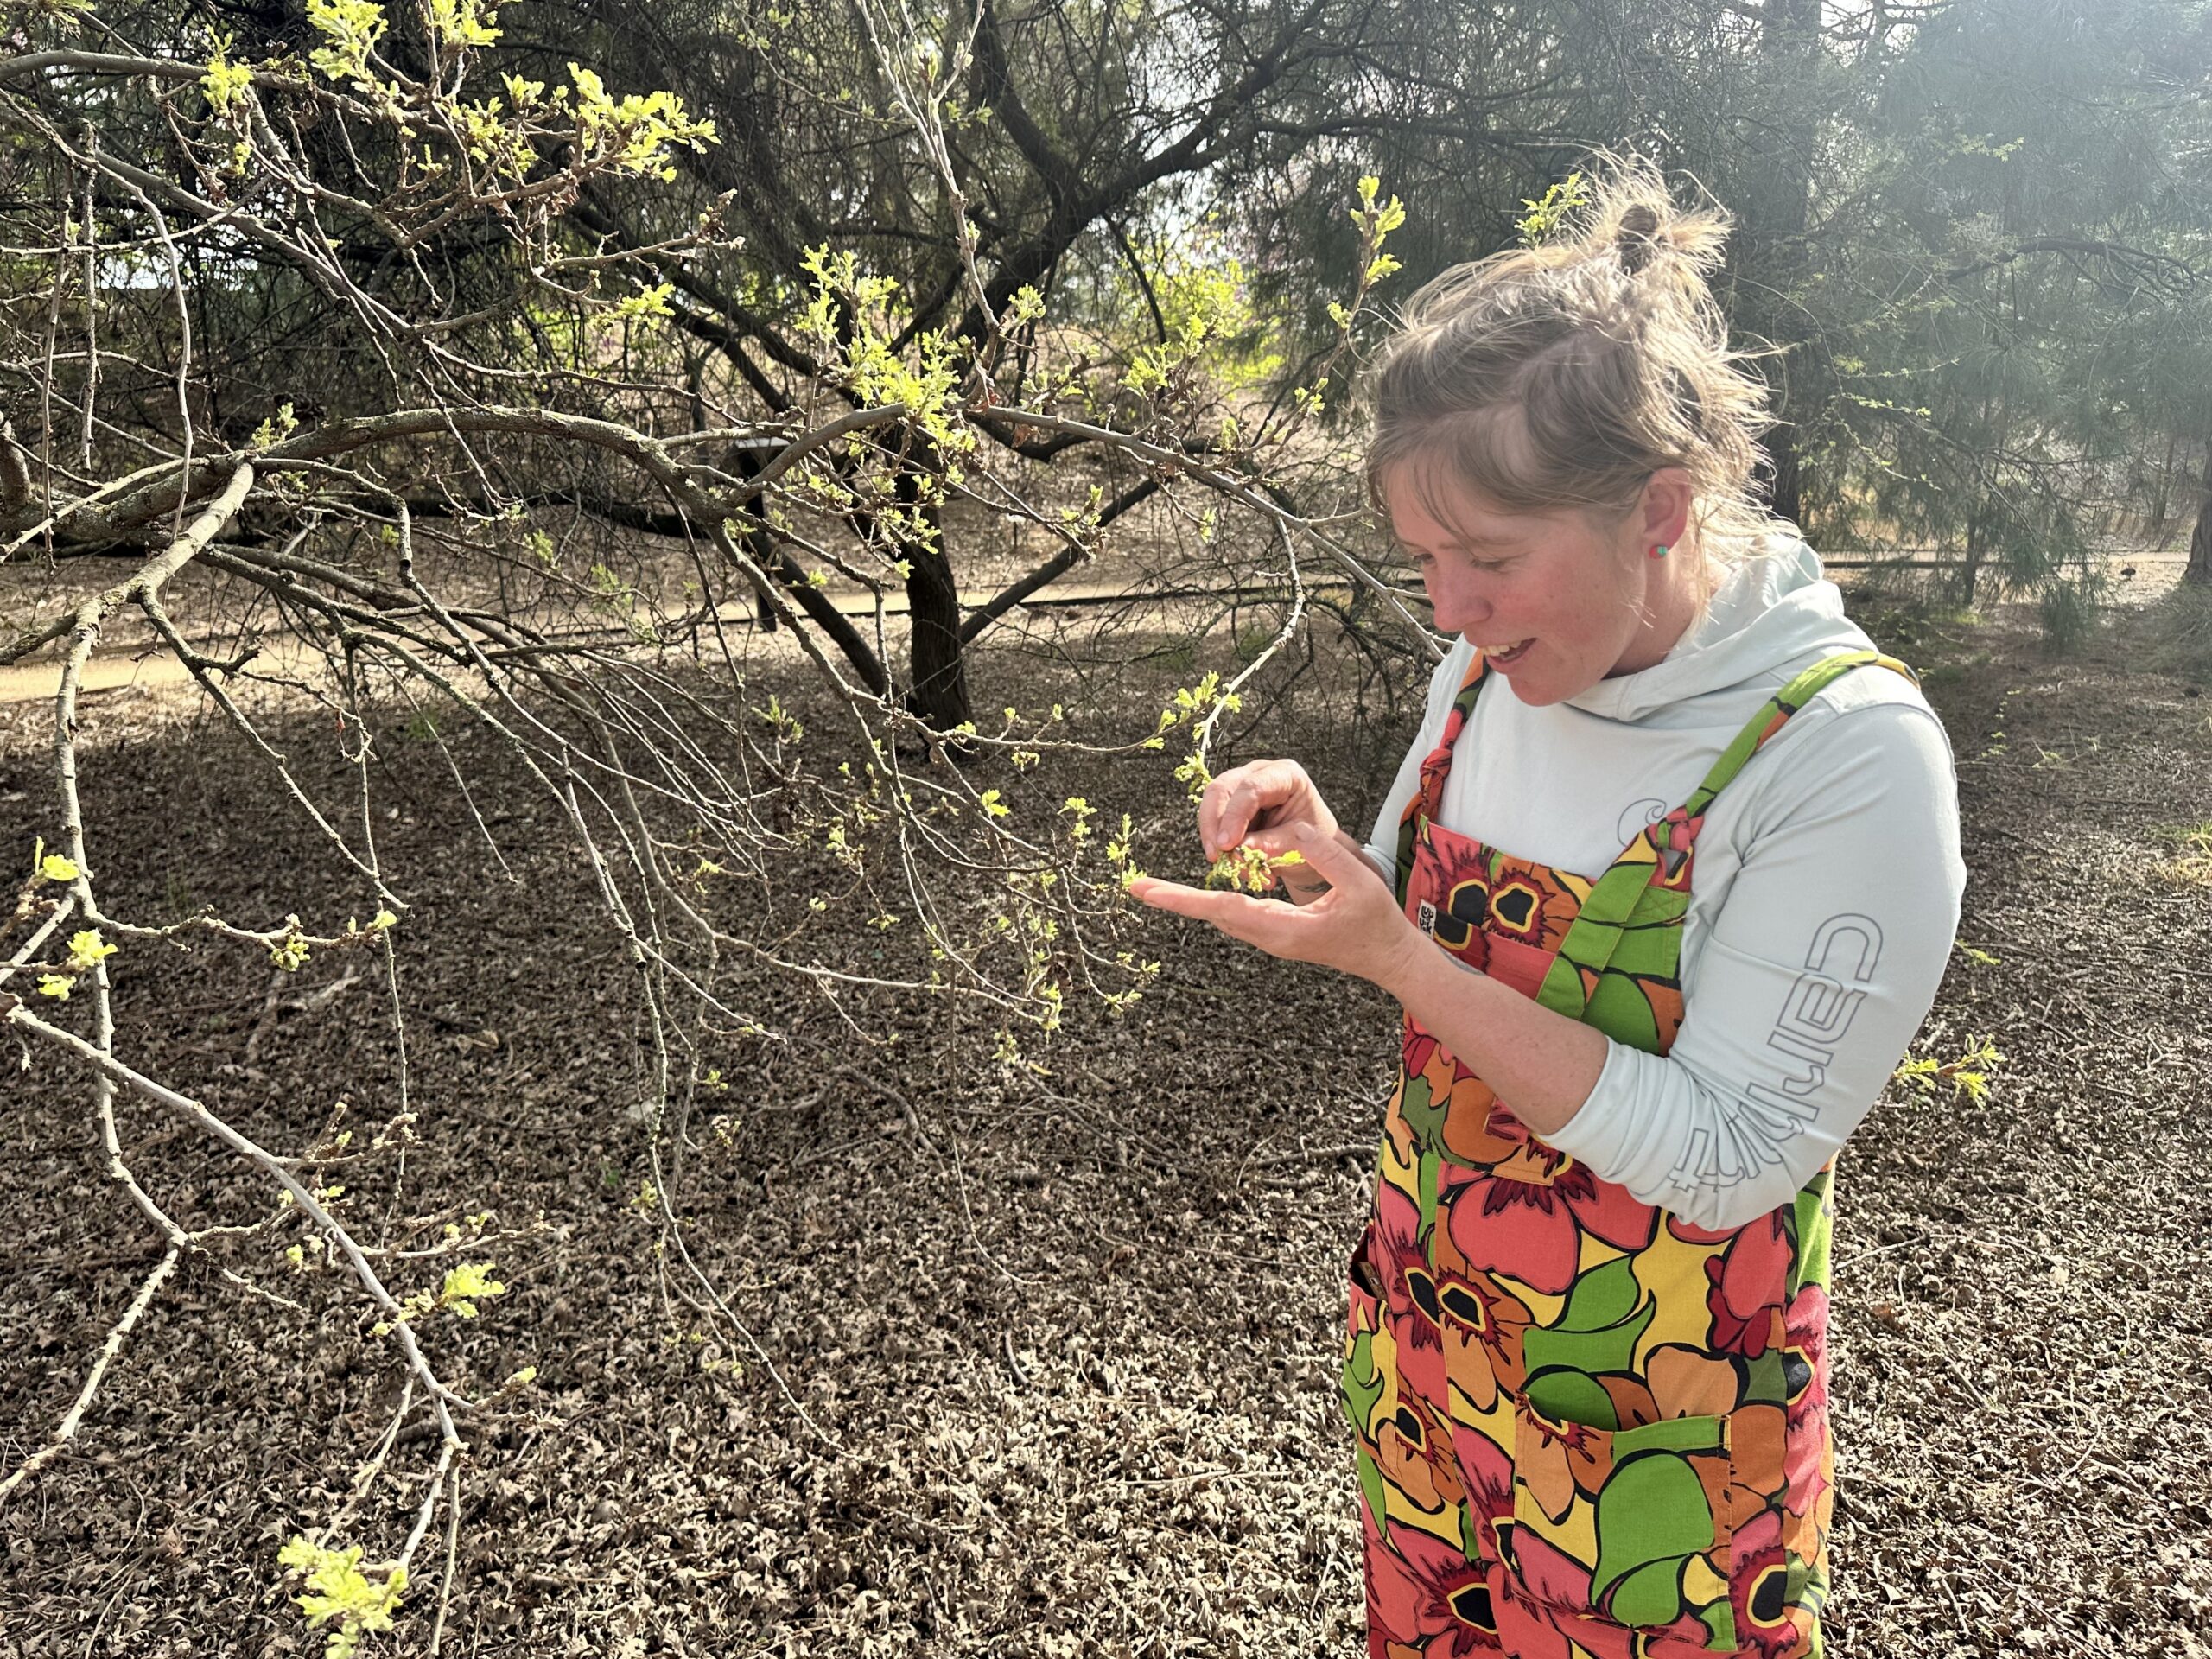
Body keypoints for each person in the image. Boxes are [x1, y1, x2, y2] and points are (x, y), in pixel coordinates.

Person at [1128, 159, 1966, 1659]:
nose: (1447, 612)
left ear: (1658, 506)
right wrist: (1332, 849)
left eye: (1492, 559)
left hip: (1662, 1439)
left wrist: (1400, 963)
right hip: (1428, 1344)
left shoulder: (1841, 755)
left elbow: (1733, 1157)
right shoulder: (1497, 663)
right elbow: (1421, 919)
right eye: (1427, 560)